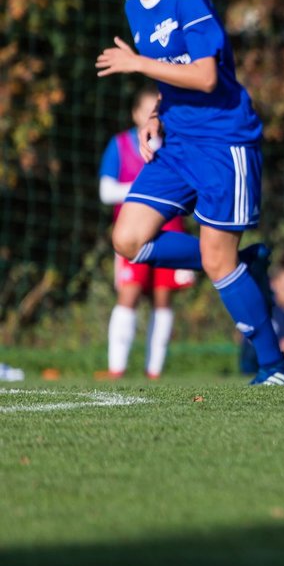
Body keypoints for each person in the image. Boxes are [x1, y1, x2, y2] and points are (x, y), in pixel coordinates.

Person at [95, 0, 284, 386]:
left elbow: (205, 76)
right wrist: (157, 114)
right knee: (128, 240)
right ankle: (245, 264)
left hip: (225, 143)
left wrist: (138, 67)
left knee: (215, 259)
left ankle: (275, 367)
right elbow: (175, 77)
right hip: (179, 144)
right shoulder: (133, 5)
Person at [98, 87, 196, 378]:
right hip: (133, 233)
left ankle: (154, 370)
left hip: (170, 232)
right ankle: (117, 367)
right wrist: (149, 193)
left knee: (163, 299)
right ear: (135, 114)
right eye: (147, 110)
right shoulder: (119, 145)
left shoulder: (174, 147)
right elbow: (106, 191)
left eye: (158, 109)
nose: (153, 115)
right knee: (128, 294)